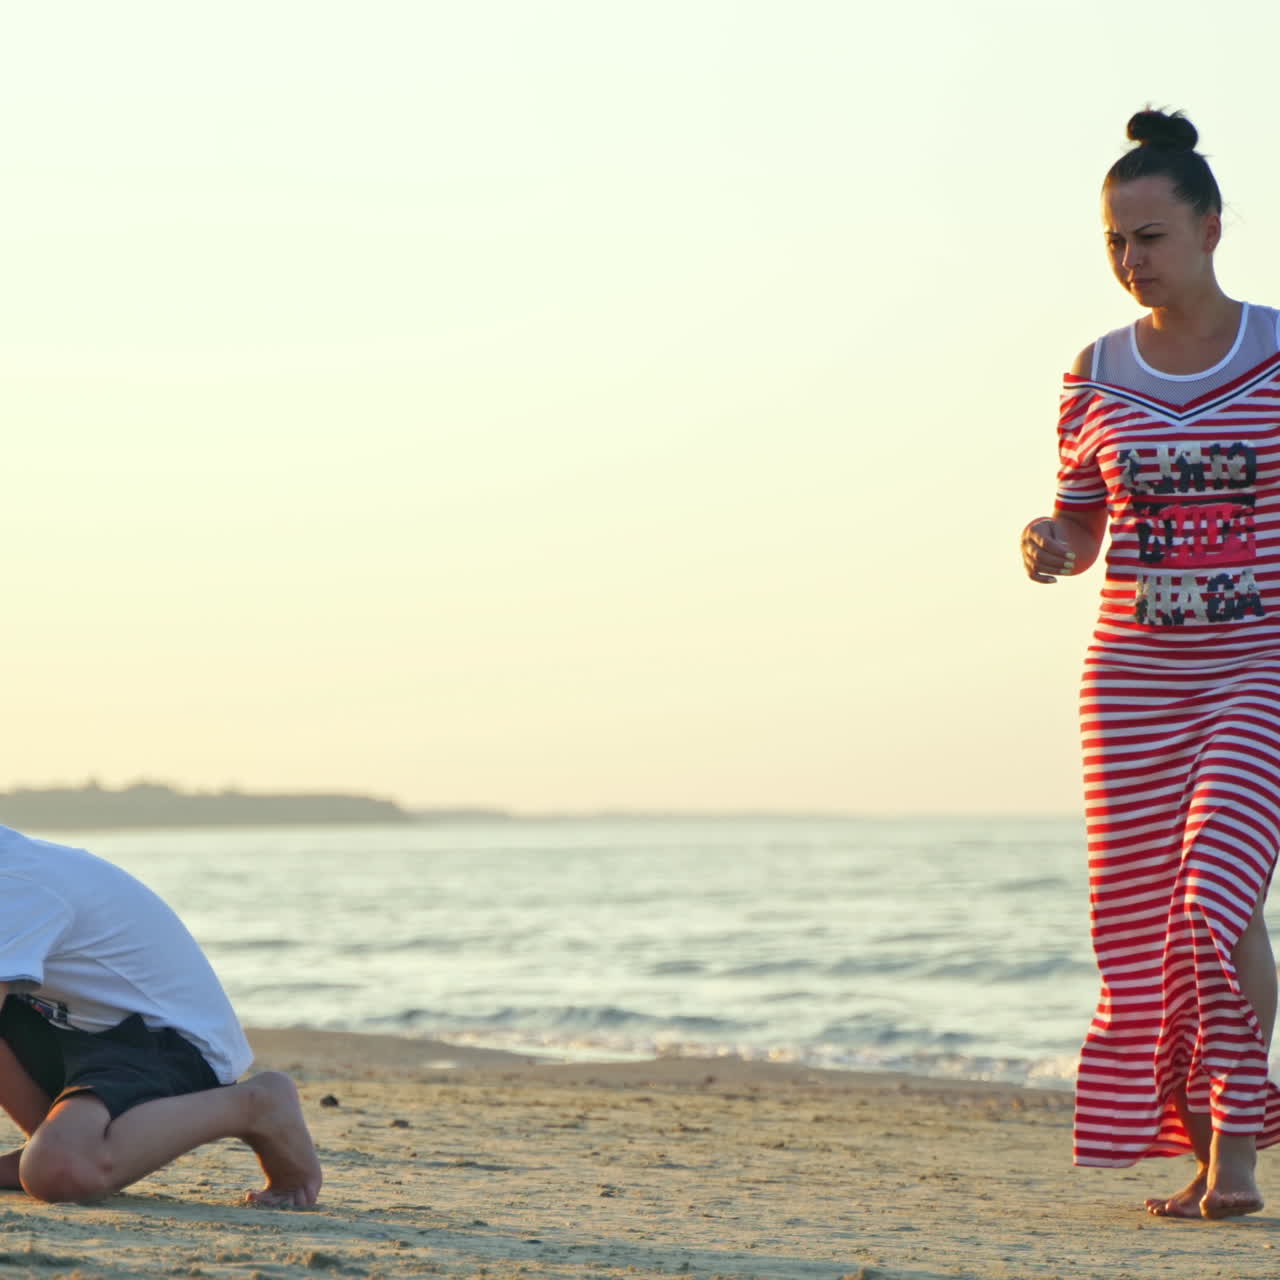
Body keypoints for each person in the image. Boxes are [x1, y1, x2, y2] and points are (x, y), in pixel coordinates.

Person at [1021, 107, 1280, 1221]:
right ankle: (1206, 1141)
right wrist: (1048, 543)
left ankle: (1235, 1159)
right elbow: (1081, 523)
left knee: (1206, 898)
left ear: (1210, 226)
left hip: (1255, 670)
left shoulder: (1275, 352)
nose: (1131, 261)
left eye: (1150, 237)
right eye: (1114, 243)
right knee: (1148, 920)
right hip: (1128, 679)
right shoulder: (1092, 372)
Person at [0, 822, 322, 1206]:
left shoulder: (18, 884)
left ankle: (257, 1104)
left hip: (168, 1044)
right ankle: (59, 1138)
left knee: (57, 1173)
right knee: (48, 1159)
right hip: (83, 1035)